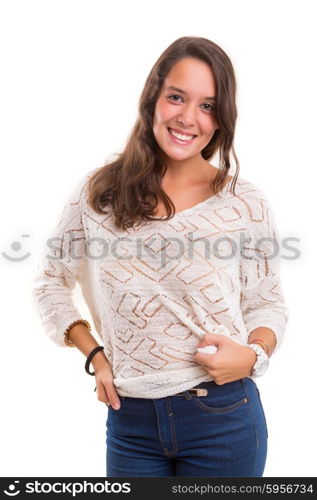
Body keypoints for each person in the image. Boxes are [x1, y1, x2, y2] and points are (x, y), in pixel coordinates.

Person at [32, 36, 289, 477]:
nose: (188, 118)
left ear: (221, 119)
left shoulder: (243, 203)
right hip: (130, 422)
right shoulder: (99, 193)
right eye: (176, 97)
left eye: (208, 106)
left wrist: (253, 355)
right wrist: (94, 355)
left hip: (223, 418)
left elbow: (267, 303)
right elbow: (49, 282)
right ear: (152, 99)